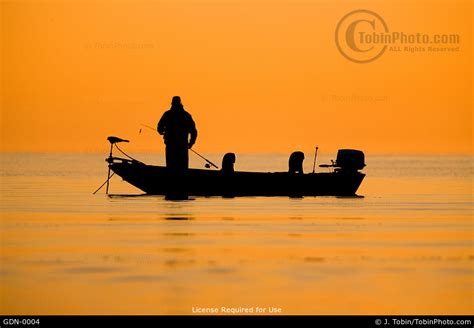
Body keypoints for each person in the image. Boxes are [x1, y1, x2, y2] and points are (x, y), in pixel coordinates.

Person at [157, 96, 197, 173]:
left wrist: (162, 132)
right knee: (183, 169)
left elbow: (159, 128)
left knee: (171, 168)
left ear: (172, 103)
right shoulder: (186, 115)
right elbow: (194, 131)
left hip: (171, 147)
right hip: (182, 147)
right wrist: (191, 143)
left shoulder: (167, 114)